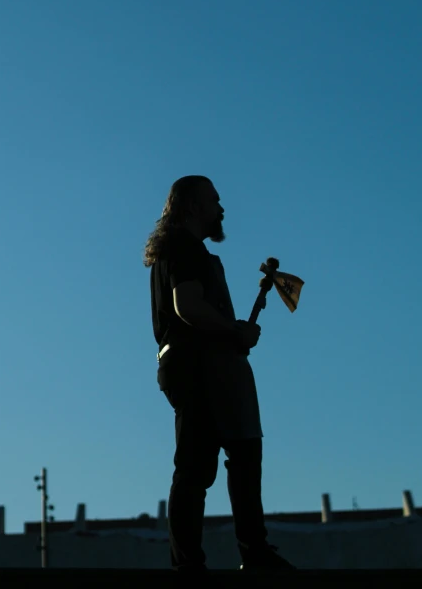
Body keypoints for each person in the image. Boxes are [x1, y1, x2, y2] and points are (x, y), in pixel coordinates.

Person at [144, 175, 297, 573]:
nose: (222, 208)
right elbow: (188, 306)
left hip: (195, 365)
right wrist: (234, 331)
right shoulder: (185, 247)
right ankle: (241, 555)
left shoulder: (177, 250)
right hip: (202, 366)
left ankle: (200, 561)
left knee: (208, 463)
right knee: (227, 458)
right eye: (214, 200)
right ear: (193, 206)